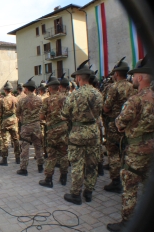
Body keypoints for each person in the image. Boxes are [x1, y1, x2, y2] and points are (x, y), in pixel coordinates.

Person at [107, 56, 154, 232]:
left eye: (134, 76)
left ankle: (127, 222)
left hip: (136, 151)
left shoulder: (135, 100)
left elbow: (120, 124)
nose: (132, 78)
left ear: (140, 78)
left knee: (130, 188)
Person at [61, 60, 103, 205]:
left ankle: (76, 194)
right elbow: (99, 113)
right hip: (93, 131)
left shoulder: (73, 95)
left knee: (77, 164)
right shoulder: (98, 94)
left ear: (79, 78)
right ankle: (89, 192)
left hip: (77, 133)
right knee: (92, 164)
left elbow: (64, 115)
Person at [102, 58, 136, 193]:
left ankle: (116, 181)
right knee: (124, 151)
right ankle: (127, 176)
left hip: (114, 125)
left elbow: (106, 108)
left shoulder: (113, 87)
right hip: (128, 124)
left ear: (116, 73)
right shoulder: (132, 86)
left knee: (113, 153)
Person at [38, 75, 68, 187]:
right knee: (64, 154)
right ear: (59, 87)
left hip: (52, 131)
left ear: (50, 88)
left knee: (51, 155)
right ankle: (64, 177)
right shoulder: (66, 98)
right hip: (64, 130)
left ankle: (49, 179)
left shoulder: (47, 100)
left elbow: (41, 117)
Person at [16, 77, 43, 174]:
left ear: (26, 89)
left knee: (25, 147)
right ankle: (40, 166)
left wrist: (23, 119)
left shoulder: (22, 101)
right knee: (38, 146)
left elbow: (17, 113)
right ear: (34, 89)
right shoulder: (39, 100)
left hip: (26, 126)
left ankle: (24, 169)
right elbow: (42, 113)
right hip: (36, 126)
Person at [0, 81, 20, 166]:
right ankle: (17, 158)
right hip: (14, 121)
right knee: (16, 140)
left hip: (5, 122)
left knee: (5, 140)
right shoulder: (15, 99)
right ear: (11, 90)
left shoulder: (2, 100)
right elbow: (19, 111)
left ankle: (4, 159)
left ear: (5, 90)